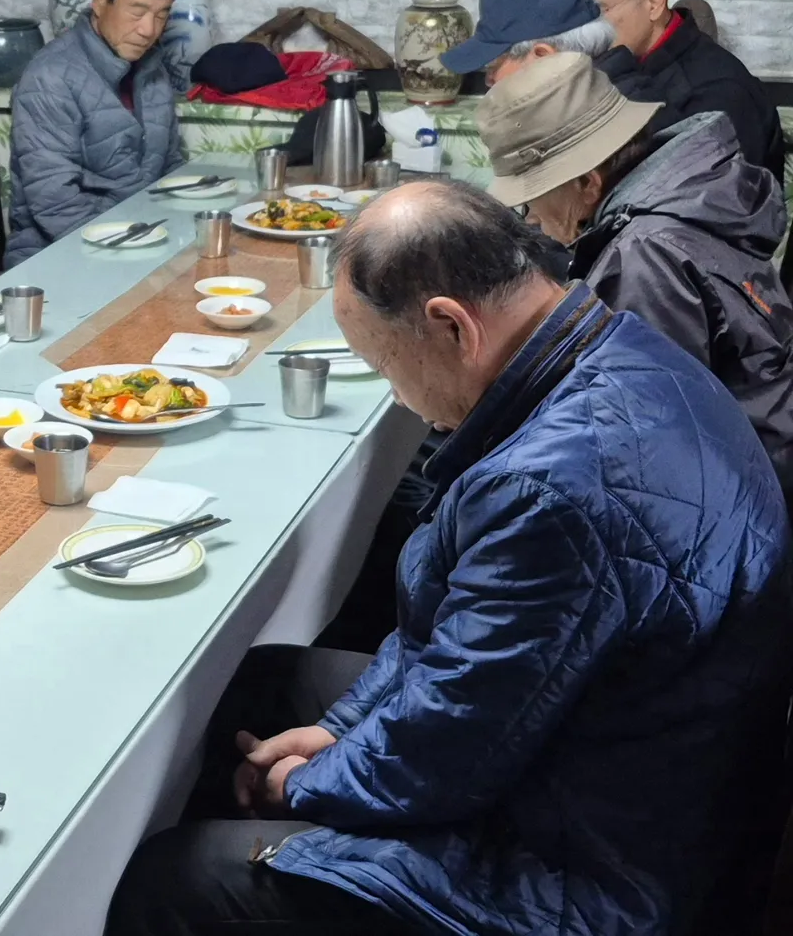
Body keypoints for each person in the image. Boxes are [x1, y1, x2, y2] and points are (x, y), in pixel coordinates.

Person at [105, 181, 792, 936]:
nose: (400, 397)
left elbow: (453, 748)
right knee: (263, 684)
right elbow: (461, 643)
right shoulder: (622, 344)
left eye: (386, 363)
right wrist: (342, 730)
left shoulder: (551, 490)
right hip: (633, 763)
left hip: (595, 868)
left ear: (450, 325)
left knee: (174, 876)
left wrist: (306, 785)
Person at [477, 52, 793, 495]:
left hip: (748, 490)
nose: (531, 218)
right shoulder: (685, 194)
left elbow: (648, 444)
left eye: (534, 197)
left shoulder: (643, 256)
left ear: (588, 183)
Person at [7, 0, 187, 264]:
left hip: (142, 242)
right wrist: (139, 250)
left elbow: (171, 165)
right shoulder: (49, 78)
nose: (148, 30)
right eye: (137, 12)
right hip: (58, 255)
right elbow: (55, 203)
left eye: (161, 15)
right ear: (100, 0)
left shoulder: (153, 71)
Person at [568, 0, 786, 185]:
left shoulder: (719, 95)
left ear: (653, 1)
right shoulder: (610, 63)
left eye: (597, 10)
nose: (580, 26)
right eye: (574, 10)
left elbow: (710, 201)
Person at [437, 0, 628, 89]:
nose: (489, 80)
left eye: (494, 65)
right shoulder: (609, 97)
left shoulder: (572, 123)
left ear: (543, 56)